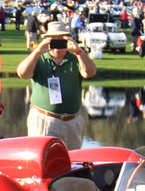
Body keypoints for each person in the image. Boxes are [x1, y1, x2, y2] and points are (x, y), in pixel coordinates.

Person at [15, 22, 95, 150]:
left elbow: (89, 73)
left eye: (61, 40)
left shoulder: (76, 58)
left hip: (72, 121)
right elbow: (22, 73)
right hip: (44, 119)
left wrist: (79, 51)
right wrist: (37, 52)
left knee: (73, 161)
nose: (58, 45)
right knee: (42, 158)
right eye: (53, 41)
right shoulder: (39, 58)